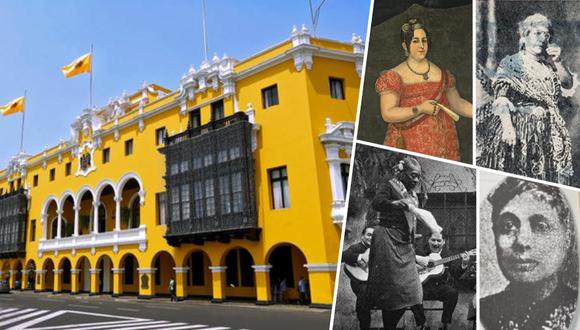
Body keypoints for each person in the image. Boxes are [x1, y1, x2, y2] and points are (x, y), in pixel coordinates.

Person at [478, 14, 575, 185]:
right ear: (525, 35)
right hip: (519, 131)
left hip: (545, 132)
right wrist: (508, 127)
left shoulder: (548, 65)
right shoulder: (512, 63)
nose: (543, 39)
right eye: (537, 33)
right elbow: (501, 98)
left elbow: (567, 84)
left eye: (546, 35)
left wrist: (558, 61)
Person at [480, 177, 578, 329]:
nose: (522, 241)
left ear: (567, 237)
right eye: (508, 226)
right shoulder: (484, 311)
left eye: (541, 226)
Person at [375, 18, 472, 161]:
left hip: (444, 141)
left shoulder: (443, 74)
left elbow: (457, 104)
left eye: (424, 40)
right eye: (415, 41)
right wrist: (419, 108)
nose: (421, 46)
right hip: (410, 142)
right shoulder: (394, 75)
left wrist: (481, 114)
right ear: (405, 45)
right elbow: (388, 113)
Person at [366, 157, 442, 330]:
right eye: (413, 175)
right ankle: (398, 326)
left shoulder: (413, 195)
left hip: (404, 245)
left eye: (418, 176)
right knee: (391, 293)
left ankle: (421, 323)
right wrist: (395, 203)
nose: (416, 180)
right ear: (402, 173)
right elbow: (377, 203)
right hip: (387, 239)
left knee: (414, 288)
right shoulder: (390, 185)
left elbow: (411, 220)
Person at [416, 232, 472, 329]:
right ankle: (423, 324)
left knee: (452, 293)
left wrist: (464, 264)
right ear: (428, 240)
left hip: (440, 288)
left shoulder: (448, 255)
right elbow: (409, 266)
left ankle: (444, 324)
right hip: (422, 287)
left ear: (444, 242)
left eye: (439, 240)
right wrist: (419, 268)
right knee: (411, 294)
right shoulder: (420, 253)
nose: (435, 243)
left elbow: (455, 274)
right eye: (433, 240)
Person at [342, 226, 374, 330]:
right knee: (363, 296)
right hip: (360, 283)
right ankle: (364, 326)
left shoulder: (378, 249)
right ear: (362, 236)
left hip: (375, 283)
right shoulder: (356, 247)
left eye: (374, 236)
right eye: (369, 235)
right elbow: (343, 256)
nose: (371, 238)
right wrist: (360, 257)